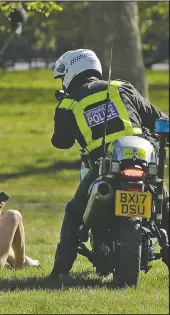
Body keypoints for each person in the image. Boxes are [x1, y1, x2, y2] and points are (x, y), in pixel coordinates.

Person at [49, 48, 169, 278]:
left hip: (102, 169)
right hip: (143, 166)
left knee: (74, 212)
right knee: (165, 206)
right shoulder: (121, 87)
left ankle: (59, 271)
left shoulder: (68, 104)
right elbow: (155, 117)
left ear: (72, 71)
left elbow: (61, 142)